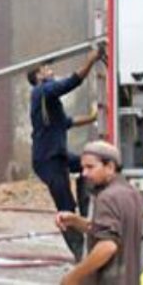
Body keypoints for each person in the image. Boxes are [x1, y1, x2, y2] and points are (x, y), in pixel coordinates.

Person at [27, 43, 103, 262]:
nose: (51, 71)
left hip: (57, 154)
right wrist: (91, 59)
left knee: (85, 166)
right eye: (47, 69)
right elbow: (72, 82)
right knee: (65, 207)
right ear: (39, 76)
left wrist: (91, 117)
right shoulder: (43, 91)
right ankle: (80, 253)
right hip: (48, 160)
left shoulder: (47, 100)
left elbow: (65, 122)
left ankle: (86, 203)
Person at [55, 141, 143, 285]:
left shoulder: (107, 198)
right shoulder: (132, 193)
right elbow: (108, 230)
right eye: (83, 168)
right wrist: (75, 220)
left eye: (90, 167)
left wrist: (73, 276)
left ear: (110, 167)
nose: (84, 173)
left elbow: (107, 245)